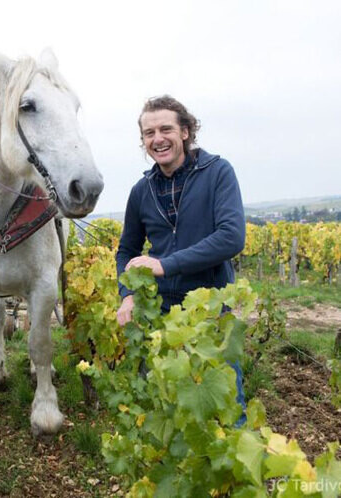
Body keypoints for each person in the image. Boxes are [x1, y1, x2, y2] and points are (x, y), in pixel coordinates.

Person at [115, 95, 246, 423]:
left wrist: (165, 263)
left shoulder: (217, 173)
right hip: (159, 312)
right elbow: (126, 251)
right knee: (162, 404)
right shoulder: (141, 191)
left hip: (211, 307)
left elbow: (231, 237)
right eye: (148, 133)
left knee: (225, 405)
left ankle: (233, 468)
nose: (157, 139)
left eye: (165, 129)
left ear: (185, 131)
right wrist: (127, 295)